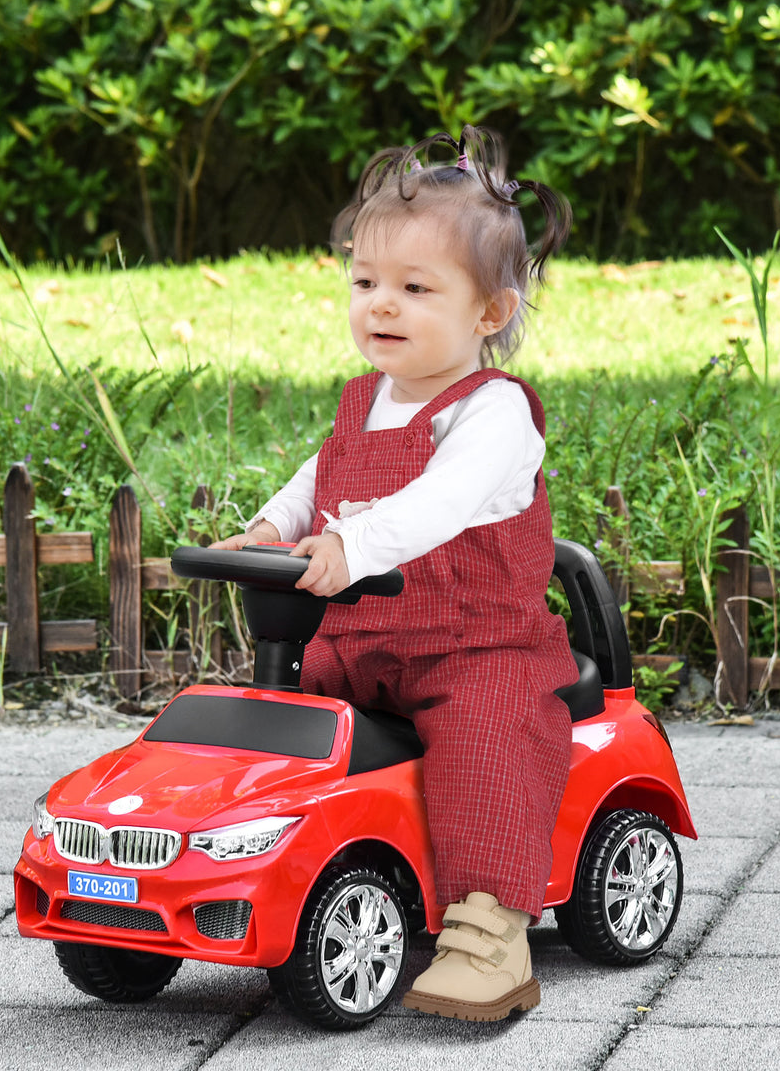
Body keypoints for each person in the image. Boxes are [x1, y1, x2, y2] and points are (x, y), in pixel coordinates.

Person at [211, 125, 579, 1022]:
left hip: (475, 646)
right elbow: (323, 474)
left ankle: (491, 932)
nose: (382, 305)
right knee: (266, 729)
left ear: (489, 313)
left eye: (416, 289)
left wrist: (352, 545)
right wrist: (274, 525)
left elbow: (437, 503)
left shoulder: (494, 416)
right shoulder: (365, 399)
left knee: (488, 741)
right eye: (366, 283)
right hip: (359, 643)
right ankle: (240, 867)